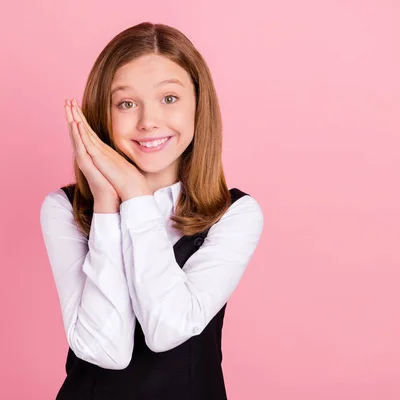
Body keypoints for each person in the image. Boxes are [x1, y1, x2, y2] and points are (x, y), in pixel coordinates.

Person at [40, 21, 264, 400]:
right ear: (102, 113)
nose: (148, 121)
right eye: (126, 103)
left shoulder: (236, 214)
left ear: (198, 103)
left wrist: (135, 195)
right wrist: (108, 206)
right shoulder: (63, 208)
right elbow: (105, 350)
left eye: (169, 99)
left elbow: (167, 329)